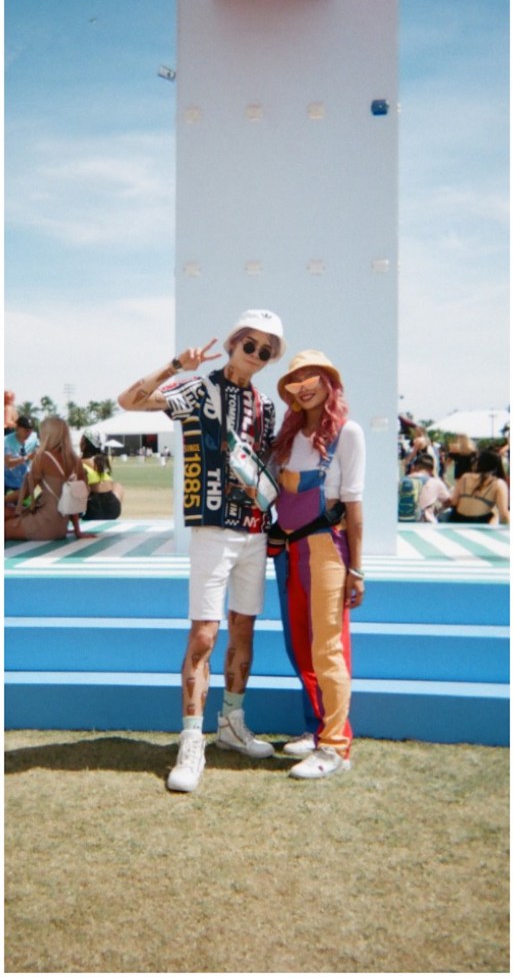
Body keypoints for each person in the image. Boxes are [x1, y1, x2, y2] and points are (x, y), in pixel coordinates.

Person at [117, 308, 285, 793]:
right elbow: (129, 401)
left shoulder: (267, 406)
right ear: (233, 342)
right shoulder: (198, 389)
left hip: (255, 531)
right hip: (212, 529)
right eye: (249, 344)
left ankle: (231, 724)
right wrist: (175, 365)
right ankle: (192, 740)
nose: (256, 355)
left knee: (244, 632)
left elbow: (268, 467)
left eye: (266, 351)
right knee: (205, 637)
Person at [269, 350, 365, 778]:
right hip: (288, 551)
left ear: (329, 382)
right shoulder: (287, 437)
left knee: (328, 647)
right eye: (295, 379)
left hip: (327, 548)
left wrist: (356, 569)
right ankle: (316, 727)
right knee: (300, 646)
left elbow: (354, 506)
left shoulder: (348, 432)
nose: (303, 385)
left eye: (312, 376)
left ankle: (336, 746)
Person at [4, 417, 92, 541]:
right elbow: (76, 497)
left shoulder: (42, 458)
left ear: (47, 435)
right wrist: (77, 530)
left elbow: (25, 494)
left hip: (43, 523)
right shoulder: (75, 459)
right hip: (61, 527)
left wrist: (4, 499)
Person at [447, 450, 510, 523]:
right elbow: (503, 514)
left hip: (456, 518)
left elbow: (454, 502)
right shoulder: (498, 483)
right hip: (480, 521)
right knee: (496, 515)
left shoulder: (465, 477)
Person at [79, 436, 124, 521]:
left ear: (83, 445)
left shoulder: (78, 462)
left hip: (91, 510)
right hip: (113, 508)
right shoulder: (104, 461)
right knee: (117, 485)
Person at [399, 453, 451, 522]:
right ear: (432, 470)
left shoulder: (401, 481)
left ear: (414, 467)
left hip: (400, 522)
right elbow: (449, 502)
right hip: (426, 524)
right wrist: (437, 510)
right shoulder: (435, 483)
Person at [4, 416, 39, 500]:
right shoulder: (6, 441)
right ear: (18, 428)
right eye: (26, 430)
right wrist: (27, 457)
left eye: (30, 430)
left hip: (24, 482)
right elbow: (8, 463)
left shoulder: (34, 437)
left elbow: (39, 450)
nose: (28, 433)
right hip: (6, 482)